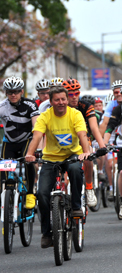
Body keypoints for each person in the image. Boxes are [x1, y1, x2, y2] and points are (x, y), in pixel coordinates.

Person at [24, 87, 95, 248]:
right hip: (51, 158)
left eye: (63, 99)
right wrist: (30, 153)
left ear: (67, 99)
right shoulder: (45, 116)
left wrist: (85, 152)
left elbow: (82, 134)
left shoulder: (75, 114)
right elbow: (37, 136)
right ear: (51, 102)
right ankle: (47, 233)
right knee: (42, 193)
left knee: (76, 170)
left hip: (72, 155)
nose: (61, 102)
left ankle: (76, 206)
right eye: (57, 100)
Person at [62, 78, 107, 208]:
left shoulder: (86, 106)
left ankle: (89, 187)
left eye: (77, 93)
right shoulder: (60, 107)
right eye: (71, 94)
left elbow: (94, 128)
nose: (74, 97)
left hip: (83, 138)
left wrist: (102, 145)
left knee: (88, 156)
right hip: (66, 140)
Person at [0, 76, 40, 209]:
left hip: (26, 141)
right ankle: (5, 203)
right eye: (10, 92)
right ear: (5, 92)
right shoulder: (2, 106)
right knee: (3, 174)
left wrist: (36, 148)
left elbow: (36, 127)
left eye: (16, 91)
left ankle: (30, 194)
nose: (13, 94)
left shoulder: (30, 105)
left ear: (21, 91)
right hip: (9, 143)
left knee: (29, 162)